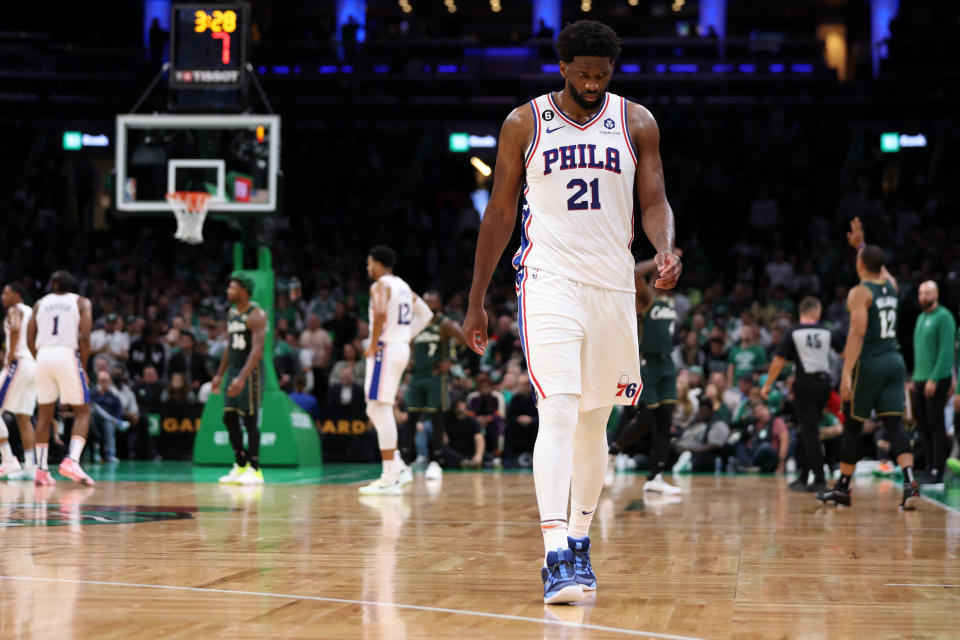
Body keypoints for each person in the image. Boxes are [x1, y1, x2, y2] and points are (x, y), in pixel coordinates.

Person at [461, 20, 681, 604]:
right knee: (556, 409)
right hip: (547, 279)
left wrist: (664, 248)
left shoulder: (636, 121)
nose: (591, 82)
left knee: (593, 423)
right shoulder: (523, 123)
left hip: (612, 286)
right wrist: (477, 298)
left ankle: (581, 540)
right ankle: (555, 552)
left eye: (601, 74)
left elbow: (655, 200)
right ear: (562, 67)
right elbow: (500, 214)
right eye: (582, 73)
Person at [817, 218, 919, 509]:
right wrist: (861, 245)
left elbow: (857, 335)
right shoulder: (891, 285)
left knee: (853, 426)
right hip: (895, 361)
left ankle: (843, 488)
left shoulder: (860, 292)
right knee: (894, 426)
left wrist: (847, 374)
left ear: (860, 264)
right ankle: (911, 485)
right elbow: (878, 264)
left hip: (871, 362)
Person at [358, 246, 431, 496]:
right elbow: (427, 314)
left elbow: (379, 312)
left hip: (385, 349)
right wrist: (405, 336)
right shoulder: (403, 286)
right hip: (398, 347)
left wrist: (373, 342)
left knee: (379, 407)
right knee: (375, 407)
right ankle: (398, 465)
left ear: (378, 264)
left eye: (369, 264)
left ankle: (390, 475)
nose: (368, 268)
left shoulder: (380, 286)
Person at [606, 258, 682, 495]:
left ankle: (655, 477)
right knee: (646, 420)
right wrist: (659, 259)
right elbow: (632, 270)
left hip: (667, 364)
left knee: (665, 422)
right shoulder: (646, 299)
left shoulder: (670, 302)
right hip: (646, 363)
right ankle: (612, 453)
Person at [762, 296, 842, 492]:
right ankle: (804, 476)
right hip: (824, 383)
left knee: (810, 432)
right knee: (807, 431)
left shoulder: (794, 331)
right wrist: (847, 377)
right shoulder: (826, 330)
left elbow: (779, 360)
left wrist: (768, 385)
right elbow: (845, 353)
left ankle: (820, 479)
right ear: (814, 311)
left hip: (804, 383)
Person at [26, 270, 95, 486]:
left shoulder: (40, 303)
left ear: (54, 284)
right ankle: (72, 460)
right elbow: (84, 336)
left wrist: (39, 357)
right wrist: (82, 366)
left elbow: (30, 337)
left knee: (45, 415)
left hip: (43, 354)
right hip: (67, 354)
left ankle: (41, 470)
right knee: (83, 411)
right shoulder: (82, 302)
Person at [399, 290, 465, 480]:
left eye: (432, 302)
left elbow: (465, 341)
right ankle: (405, 462)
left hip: (435, 377)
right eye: (426, 302)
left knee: (436, 419)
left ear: (439, 305)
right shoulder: (416, 323)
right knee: (411, 418)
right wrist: (408, 363)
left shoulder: (445, 323)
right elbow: (409, 345)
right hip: (417, 376)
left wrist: (451, 362)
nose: (429, 306)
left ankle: (436, 461)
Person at [211, 273, 267, 486]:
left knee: (250, 419)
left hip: (249, 371)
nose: (228, 291)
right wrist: (219, 374)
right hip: (233, 369)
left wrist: (242, 377)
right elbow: (230, 346)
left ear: (244, 290)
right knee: (229, 417)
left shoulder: (257, 315)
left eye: (232, 288)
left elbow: (258, 350)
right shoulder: (232, 313)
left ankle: (255, 469)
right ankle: (240, 464)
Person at [909, 280, 955, 485]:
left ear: (936, 295)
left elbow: (946, 353)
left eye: (927, 293)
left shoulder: (944, 317)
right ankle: (928, 466)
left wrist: (934, 379)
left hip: (936, 378)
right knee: (923, 426)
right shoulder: (920, 318)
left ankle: (938, 469)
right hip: (920, 378)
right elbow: (920, 352)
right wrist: (915, 378)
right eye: (920, 293)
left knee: (936, 425)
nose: (923, 297)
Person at [0, 283, 38, 480]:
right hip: (33, 365)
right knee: (23, 417)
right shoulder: (31, 311)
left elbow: (14, 328)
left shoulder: (14, 309)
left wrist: (11, 353)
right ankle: (30, 466)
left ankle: (8, 459)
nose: (3, 296)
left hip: (19, 363)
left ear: (17, 294)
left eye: (6, 292)